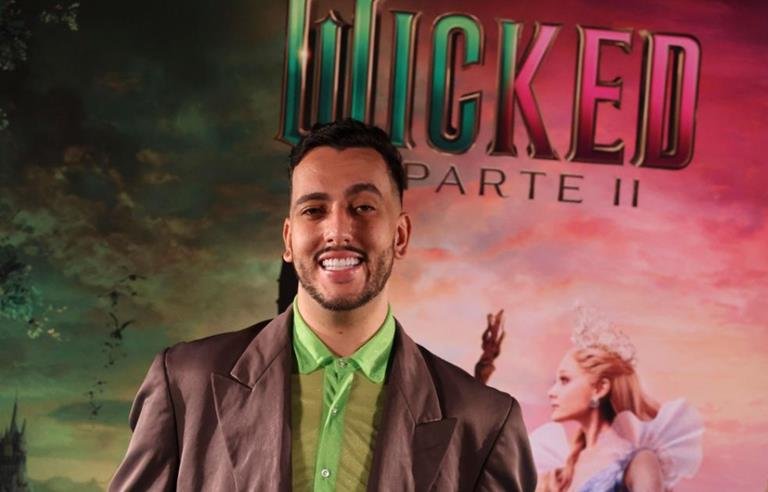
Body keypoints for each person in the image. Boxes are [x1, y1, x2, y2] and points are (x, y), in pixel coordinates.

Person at [109, 119, 535, 491]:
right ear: (288, 239)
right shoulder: (183, 383)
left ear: (400, 235)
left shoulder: (486, 423)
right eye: (314, 210)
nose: (338, 230)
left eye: (363, 207)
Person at [529, 304, 703, 492]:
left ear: (599, 388)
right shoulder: (562, 471)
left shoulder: (639, 461)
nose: (552, 392)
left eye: (564, 380)